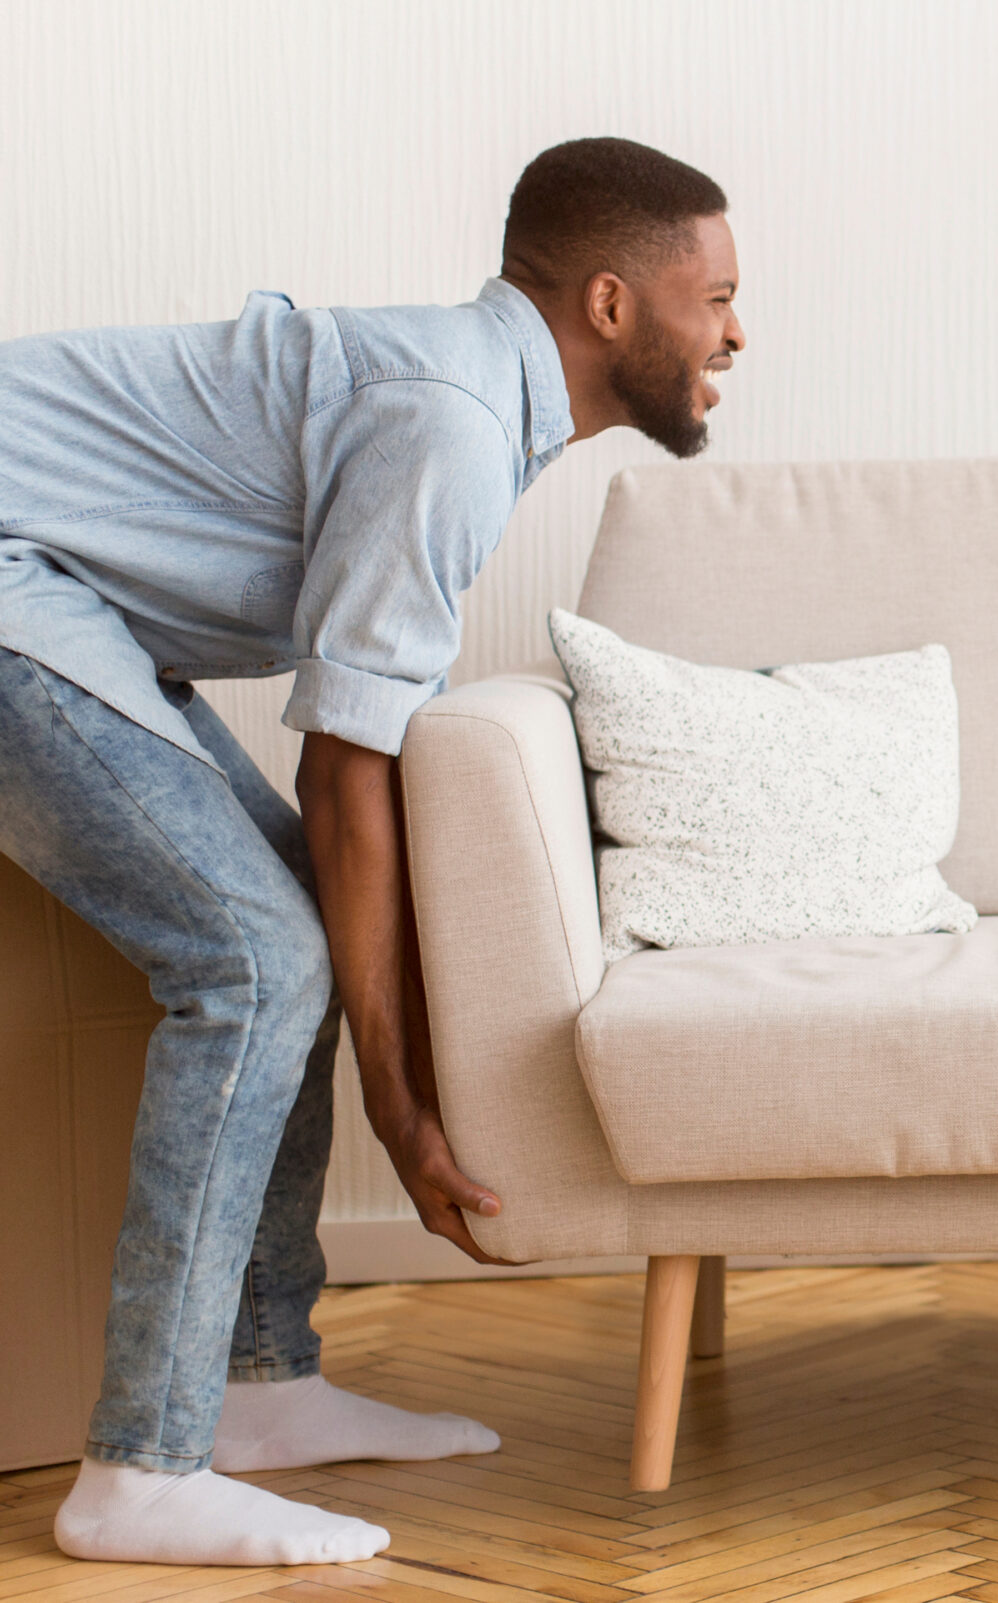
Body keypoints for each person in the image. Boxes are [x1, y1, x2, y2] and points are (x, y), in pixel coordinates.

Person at [0, 137, 745, 1565]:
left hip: (59, 588)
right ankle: (140, 1464)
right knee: (262, 957)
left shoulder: (473, 409)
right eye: (714, 296)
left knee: (285, 925)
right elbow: (349, 771)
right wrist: (404, 1114)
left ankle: (260, 1384)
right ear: (609, 306)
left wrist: (403, 1079)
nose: (733, 330)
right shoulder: (452, 427)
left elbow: (355, 764)